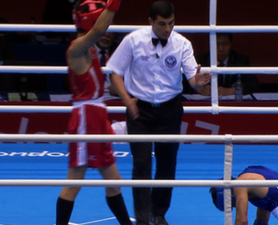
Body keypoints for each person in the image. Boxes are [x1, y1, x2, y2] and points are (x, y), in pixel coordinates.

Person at [107, 1, 212, 224]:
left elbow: (192, 78)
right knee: (142, 164)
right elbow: (114, 73)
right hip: (139, 110)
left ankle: (159, 213)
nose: (167, 28)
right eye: (162, 23)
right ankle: (143, 218)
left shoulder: (182, 43)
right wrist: (128, 101)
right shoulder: (133, 40)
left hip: (170, 109)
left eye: (171, 23)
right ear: (150, 21)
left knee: (167, 163)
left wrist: (197, 82)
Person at [55, 1, 132, 225]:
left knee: (113, 179)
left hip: (97, 115)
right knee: (74, 181)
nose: (105, 27)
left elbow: (98, 30)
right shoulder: (77, 48)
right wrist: (114, 4)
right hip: (86, 119)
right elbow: (99, 29)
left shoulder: (89, 47)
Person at [210, 166, 278, 225]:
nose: (237, 205)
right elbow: (264, 208)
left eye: (234, 204)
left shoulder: (239, 185)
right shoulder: (253, 172)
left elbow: (242, 220)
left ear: (230, 194)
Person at [183, 33, 260, 96]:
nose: (221, 49)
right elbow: (183, 83)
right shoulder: (200, 60)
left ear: (231, 44)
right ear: (210, 45)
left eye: (225, 44)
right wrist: (198, 88)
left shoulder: (241, 60)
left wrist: (232, 90)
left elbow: (254, 85)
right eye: (217, 44)